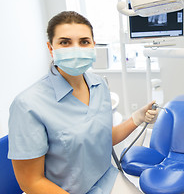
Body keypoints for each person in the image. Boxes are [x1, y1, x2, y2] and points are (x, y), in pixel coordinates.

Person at [8, 11, 158, 194]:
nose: (76, 49)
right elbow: (31, 182)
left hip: (106, 178)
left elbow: (102, 139)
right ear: (50, 48)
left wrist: (137, 118)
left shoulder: (99, 85)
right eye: (65, 42)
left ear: (93, 45)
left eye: (84, 42)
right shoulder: (28, 105)